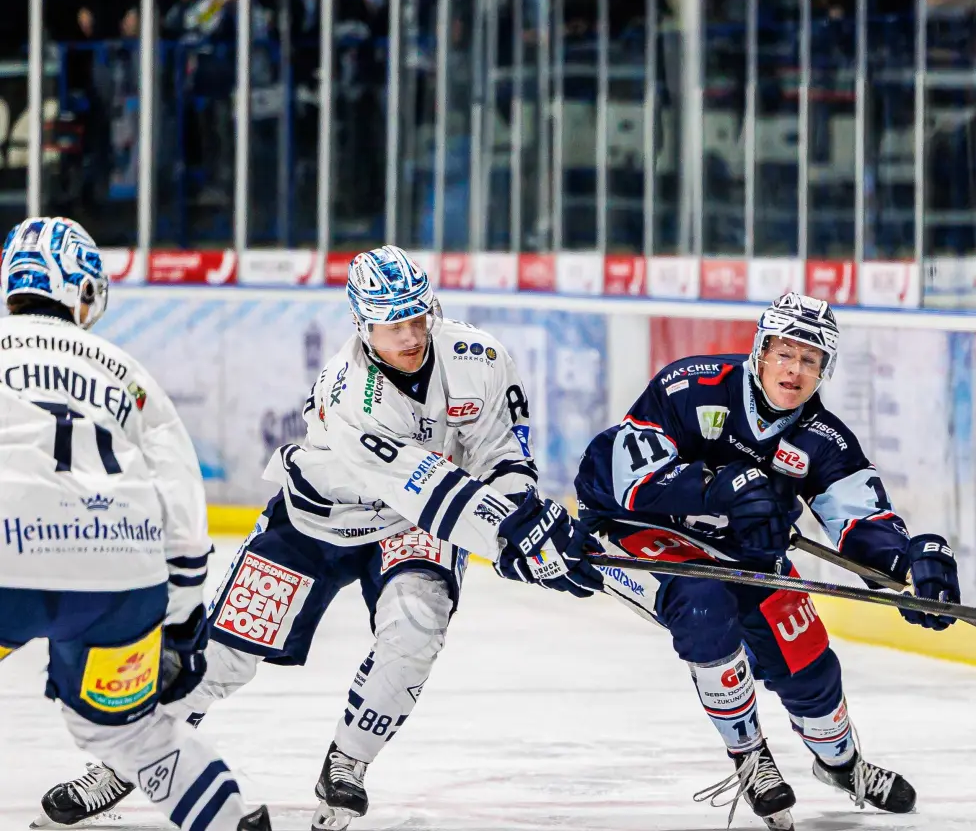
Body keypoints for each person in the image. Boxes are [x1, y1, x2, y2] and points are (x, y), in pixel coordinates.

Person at [40, 245, 603, 831]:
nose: (410, 336)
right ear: (362, 326)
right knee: (221, 655)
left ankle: (348, 763)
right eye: (392, 325)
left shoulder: (481, 359)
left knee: (415, 627)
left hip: (412, 527)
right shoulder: (347, 393)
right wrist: (513, 537)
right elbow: (425, 486)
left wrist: (529, 520)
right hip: (317, 521)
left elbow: (500, 453)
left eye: (418, 317)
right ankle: (119, 764)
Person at [573, 292, 961, 830]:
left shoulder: (825, 442)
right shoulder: (692, 385)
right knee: (705, 606)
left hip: (741, 548)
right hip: (638, 530)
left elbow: (861, 522)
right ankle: (750, 757)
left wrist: (910, 566)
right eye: (785, 352)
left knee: (809, 666)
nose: (795, 369)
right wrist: (715, 487)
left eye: (810, 360)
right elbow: (630, 480)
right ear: (760, 350)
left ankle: (842, 766)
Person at [0, 217, 270, 831]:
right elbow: (181, 504)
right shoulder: (126, 371)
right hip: (117, 576)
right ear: (81, 291)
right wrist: (179, 625)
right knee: (128, 734)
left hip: (7, 558)